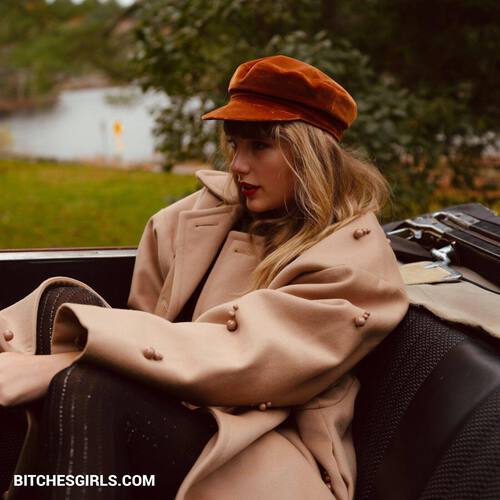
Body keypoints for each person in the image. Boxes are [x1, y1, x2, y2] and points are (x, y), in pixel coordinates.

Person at [0, 55, 409, 500]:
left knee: (89, 388)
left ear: (310, 155)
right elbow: (145, 319)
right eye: (235, 145)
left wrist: (58, 365)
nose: (238, 165)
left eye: (259, 147)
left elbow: (242, 357)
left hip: (257, 444)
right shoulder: (205, 214)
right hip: (174, 407)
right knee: (57, 301)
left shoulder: (352, 262)